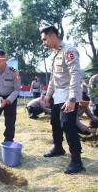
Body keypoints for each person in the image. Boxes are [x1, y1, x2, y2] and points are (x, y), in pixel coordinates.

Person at [41, 26, 85, 174]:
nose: (44, 43)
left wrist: (72, 98)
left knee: (67, 124)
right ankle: (58, 147)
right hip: (58, 95)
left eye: (45, 39)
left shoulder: (69, 50)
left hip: (69, 93)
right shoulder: (55, 54)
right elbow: (54, 77)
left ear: (53, 35)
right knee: (55, 122)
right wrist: (48, 94)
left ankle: (76, 161)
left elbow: (75, 74)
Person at [0, 50, 21, 153]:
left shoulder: (14, 72)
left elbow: (17, 89)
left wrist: (8, 100)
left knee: (10, 123)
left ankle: (8, 142)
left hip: (10, 98)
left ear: (4, 60)